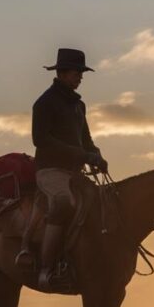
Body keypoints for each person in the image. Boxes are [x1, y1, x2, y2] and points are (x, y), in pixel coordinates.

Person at [32, 48, 107, 289]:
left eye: (81, 73)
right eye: (77, 73)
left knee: (103, 203)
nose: (80, 77)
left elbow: (86, 139)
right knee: (63, 201)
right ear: (63, 73)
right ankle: (46, 267)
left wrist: (96, 155)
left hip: (74, 173)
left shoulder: (79, 106)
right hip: (50, 171)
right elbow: (40, 140)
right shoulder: (44, 103)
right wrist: (81, 154)